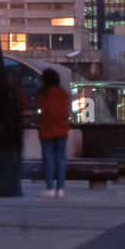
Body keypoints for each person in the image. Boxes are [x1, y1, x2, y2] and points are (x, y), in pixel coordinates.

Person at [34, 68, 71, 198]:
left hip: (47, 131)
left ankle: (50, 188)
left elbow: (39, 112)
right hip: (62, 130)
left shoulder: (42, 95)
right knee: (61, 160)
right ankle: (61, 189)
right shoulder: (64, 94)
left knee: (48, 160)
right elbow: (67, 113)